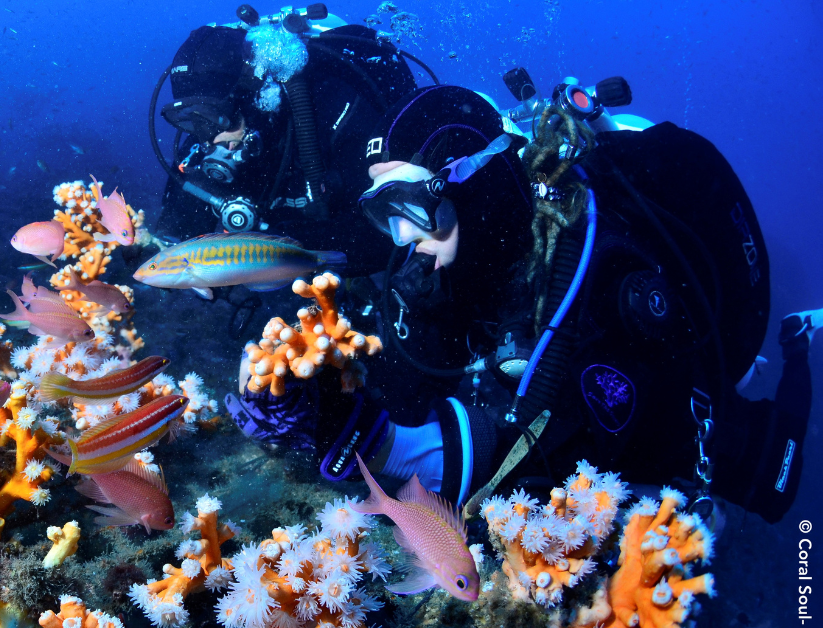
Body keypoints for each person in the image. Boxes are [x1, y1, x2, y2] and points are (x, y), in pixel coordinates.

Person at [228, 84, 810, 525]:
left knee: (709, 460)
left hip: (660, 369)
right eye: (386, 213)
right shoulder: (454, 254)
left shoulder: (582, 273)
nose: (403, 239)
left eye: (409, 205)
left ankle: (798, 346)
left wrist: (376, 443)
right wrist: (326, 386)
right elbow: (413, 380)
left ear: (470, 186)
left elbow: (536, 458)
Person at [150, 8, 423, 277]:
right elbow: (177, 235)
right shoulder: (205, 142)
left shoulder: (335, 111)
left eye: (216, 118)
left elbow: (390, 238)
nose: (210, 138)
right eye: (189, 120)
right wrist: (149, 246)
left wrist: (265, 245)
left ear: (252, 99)